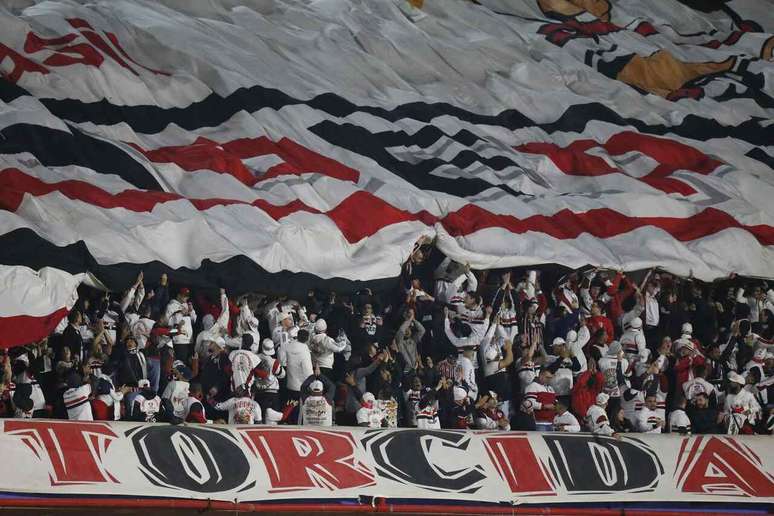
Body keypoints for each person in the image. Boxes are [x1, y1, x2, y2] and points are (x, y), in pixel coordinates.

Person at [165, 287, 197, 362]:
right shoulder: (171, 306)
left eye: (187, 296)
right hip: (179, 340)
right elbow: (166, 322)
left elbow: (193, 321)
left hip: (189, 340)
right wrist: (180, 314)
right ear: (179, 295)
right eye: (185, 296)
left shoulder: (186, 305)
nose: (187, 298)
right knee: (180, 363)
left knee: (189, 362)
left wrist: (191, 311)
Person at [280, 329, 313, 402]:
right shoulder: (305, 351)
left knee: (290, 406)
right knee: (300, 408)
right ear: (307, 339)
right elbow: (307, 370)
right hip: (301, 387)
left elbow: (282, 361)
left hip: (290, 384)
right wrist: (311, 383)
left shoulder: (288, 346)